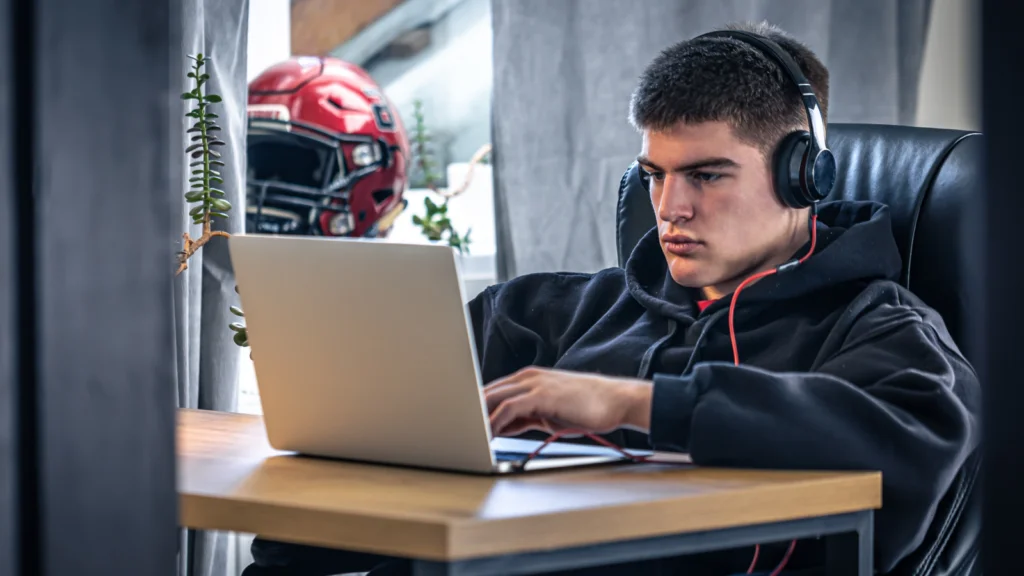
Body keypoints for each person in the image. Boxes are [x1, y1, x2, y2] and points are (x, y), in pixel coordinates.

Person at [245, 20, 980, 576]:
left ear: (802, 178)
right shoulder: (569, 312)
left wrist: (637, 405)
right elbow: (389, 395)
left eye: (707, 175)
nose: (671, 207)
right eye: (654, 175)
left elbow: (908, 440)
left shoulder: (880, 328)